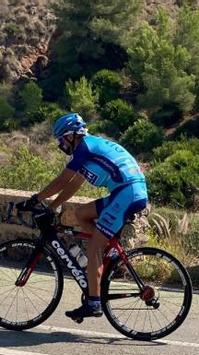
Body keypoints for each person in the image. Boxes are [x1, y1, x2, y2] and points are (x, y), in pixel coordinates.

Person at [17, 113, 148, 320]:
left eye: (61, 139)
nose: (60, 145)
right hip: (126, 191)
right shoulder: (88, 149)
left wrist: (35, 199)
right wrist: (52, 207)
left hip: (127, 193)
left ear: (71, 136)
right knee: (81, 214)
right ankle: (110, 255)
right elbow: (73, 184)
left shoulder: (84, 147)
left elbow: (62, 180)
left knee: (94, 246)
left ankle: (94, 303)